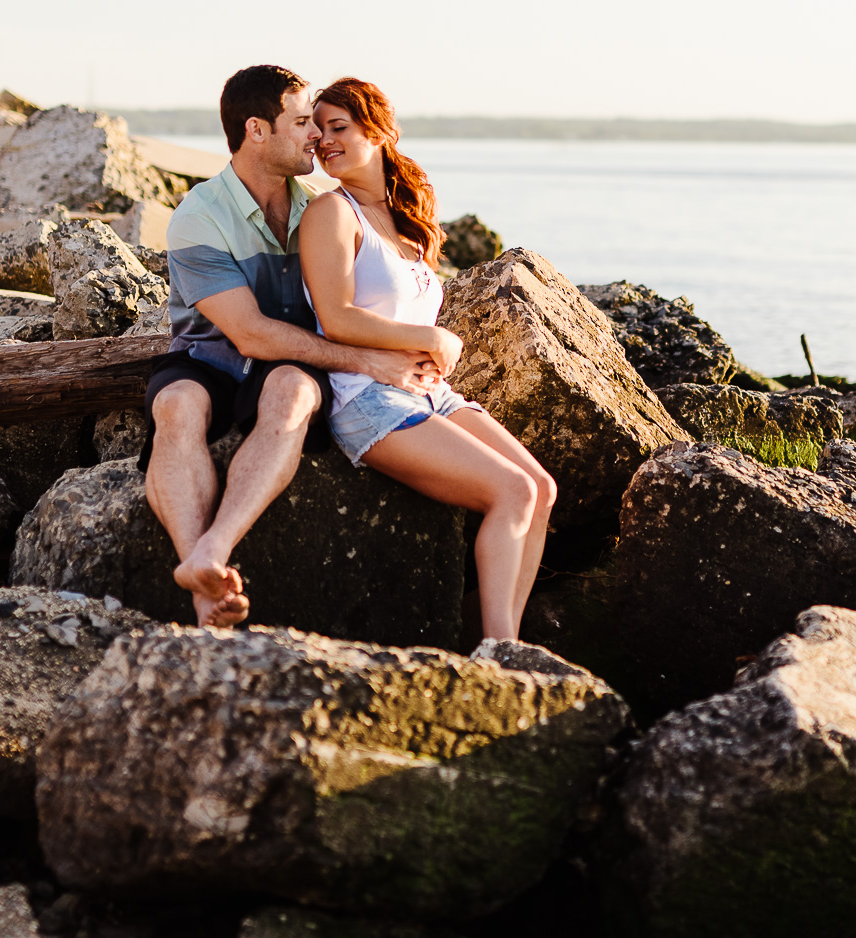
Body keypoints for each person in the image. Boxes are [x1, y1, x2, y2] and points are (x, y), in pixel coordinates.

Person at [144, 65, 438, 626]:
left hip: (291, 362)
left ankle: (214, 551)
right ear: (257, 130)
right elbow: (248, 332)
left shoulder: (321, 208)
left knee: (293, 393)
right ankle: (201, 576)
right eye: (303, 122)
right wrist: (367, 360)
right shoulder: (199, 215)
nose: (316, 137)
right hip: (211, 356)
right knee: (175, 406)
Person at [299, 78, 555, 642]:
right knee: (509, 491)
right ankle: (499, 649)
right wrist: (432, 338)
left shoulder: (407, 214)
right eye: (318, 133)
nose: (324, 143)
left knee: (539, 487)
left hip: (429, 392)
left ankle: (504, 643)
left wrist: (433, 345)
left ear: (379, 130)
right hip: (366, 397)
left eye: (338, 128)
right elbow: (337, 316)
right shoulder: (329, 214)